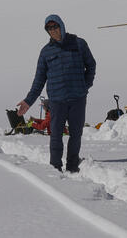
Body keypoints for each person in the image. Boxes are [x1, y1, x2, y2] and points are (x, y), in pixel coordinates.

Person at [17, 14, 96, 172]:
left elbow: (91, 65)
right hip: (57, 100)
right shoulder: (46, 52)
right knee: (55, 135)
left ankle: (72, 166)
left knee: (76, 134)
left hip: (77, 99)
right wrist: (28, 101)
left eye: (55, 27)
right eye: (49, 28)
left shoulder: (78, 44)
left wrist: (84, 86)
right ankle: (55, 167)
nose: (53, 30)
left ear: (61, 26)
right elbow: (39, 80)